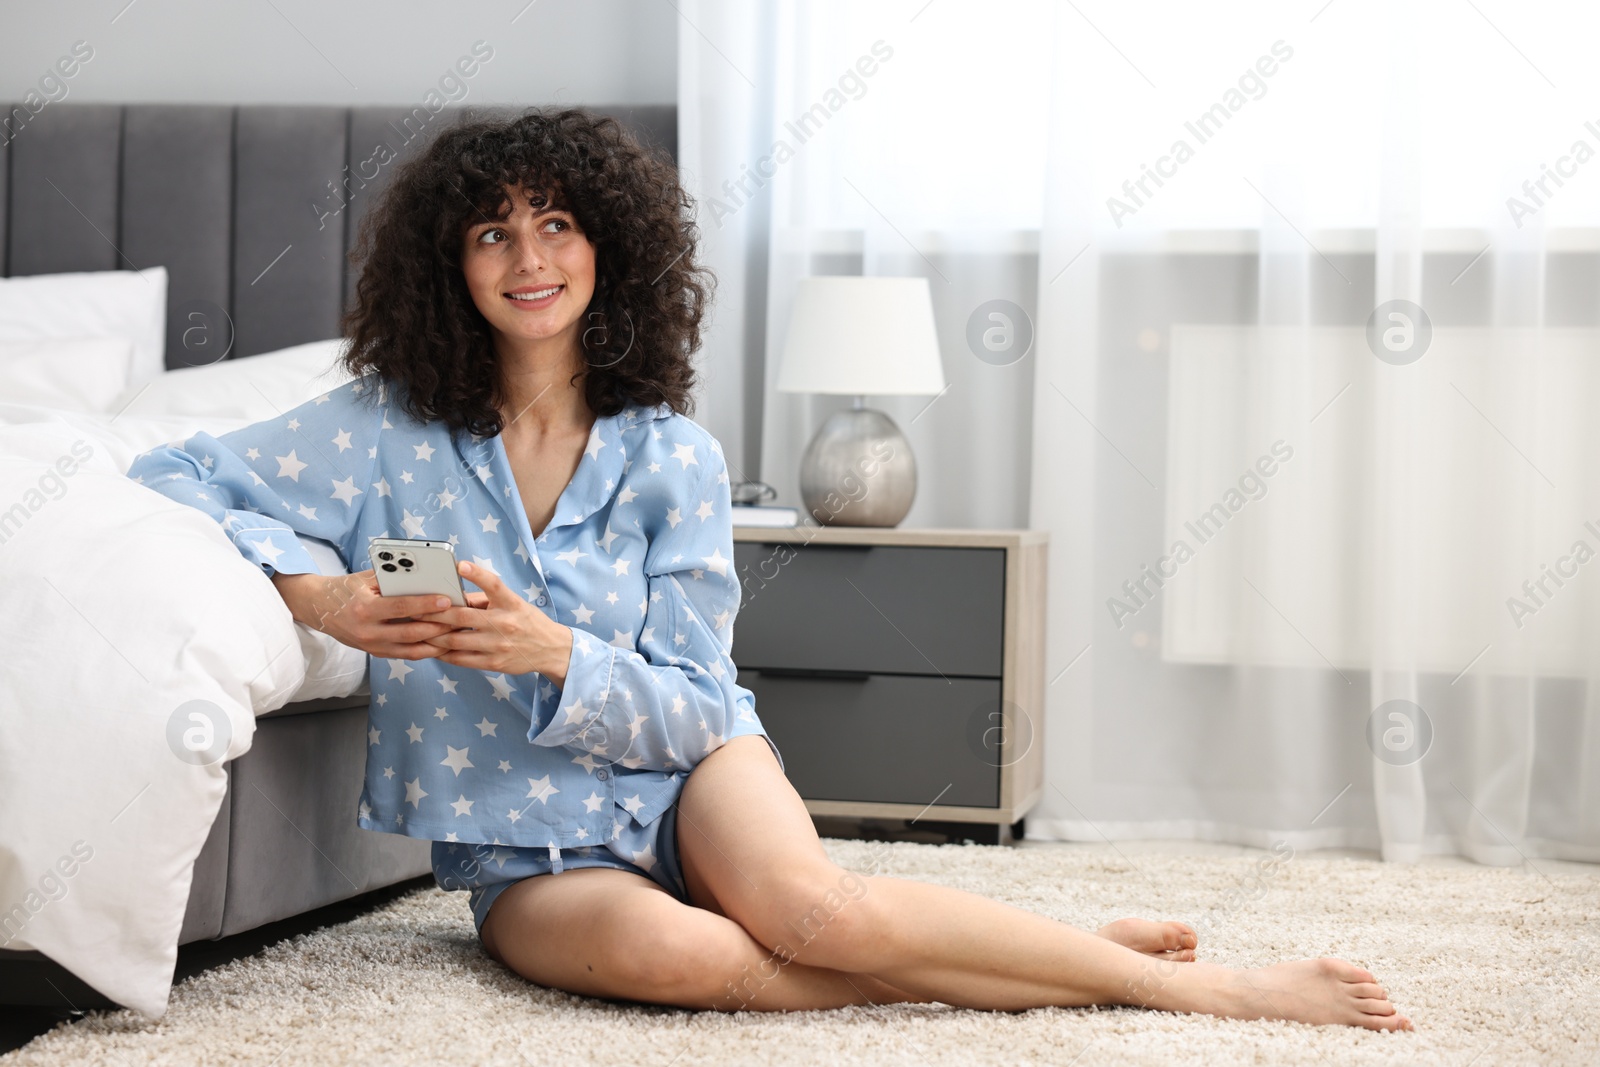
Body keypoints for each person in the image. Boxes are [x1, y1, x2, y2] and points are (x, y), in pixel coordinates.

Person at [126, 107, 1411, 1030]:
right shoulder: (378, 432)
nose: (529, 260)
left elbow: (694, 700)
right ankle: (1052, 952)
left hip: (691, 771)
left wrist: (557, 651)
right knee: (710, 965)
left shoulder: (673, 454)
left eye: (558, 224)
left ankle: (1196, 987)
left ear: (606, 247)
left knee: (819, 919)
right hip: (527, 858)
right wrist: (323, 596)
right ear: (448, 266)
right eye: (492, 234)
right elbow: (175, 476)